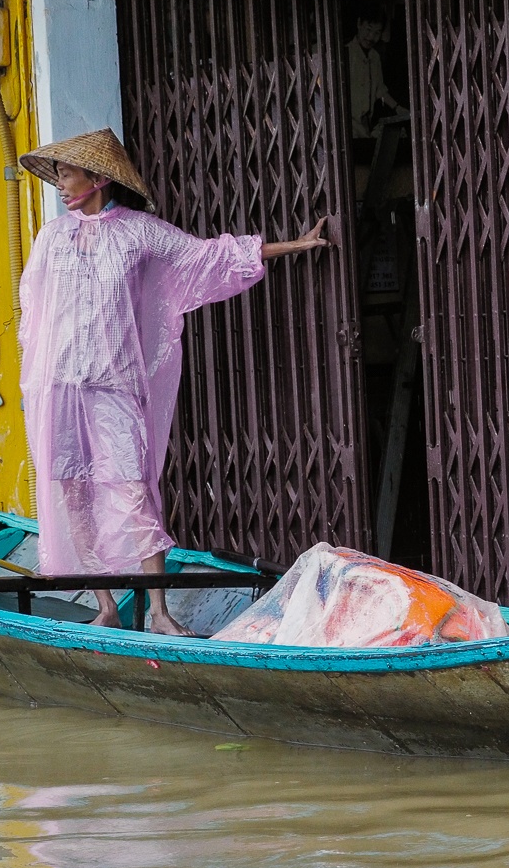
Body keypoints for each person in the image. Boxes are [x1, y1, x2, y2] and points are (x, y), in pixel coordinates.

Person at [16, 129, 328, 634]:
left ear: (97, 178)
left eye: (67, 173)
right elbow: (33, 308)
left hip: (113, 385)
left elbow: (207, 256)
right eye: (58, 174)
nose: (60, 183)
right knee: (74, 492)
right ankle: (107, 607)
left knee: (133, 490)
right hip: (60, 387)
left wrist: (298, 244)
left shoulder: (140, 232)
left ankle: (158, 613)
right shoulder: (52, 237)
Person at [345, 8, 405, 139]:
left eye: (377, 32)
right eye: (368, 29)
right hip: (348, 126)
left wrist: (398, 108)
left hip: (365, 124)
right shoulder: (346, 55)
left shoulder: (374, 57)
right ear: (359, 24)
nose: (371, 37)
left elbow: (380, 89)